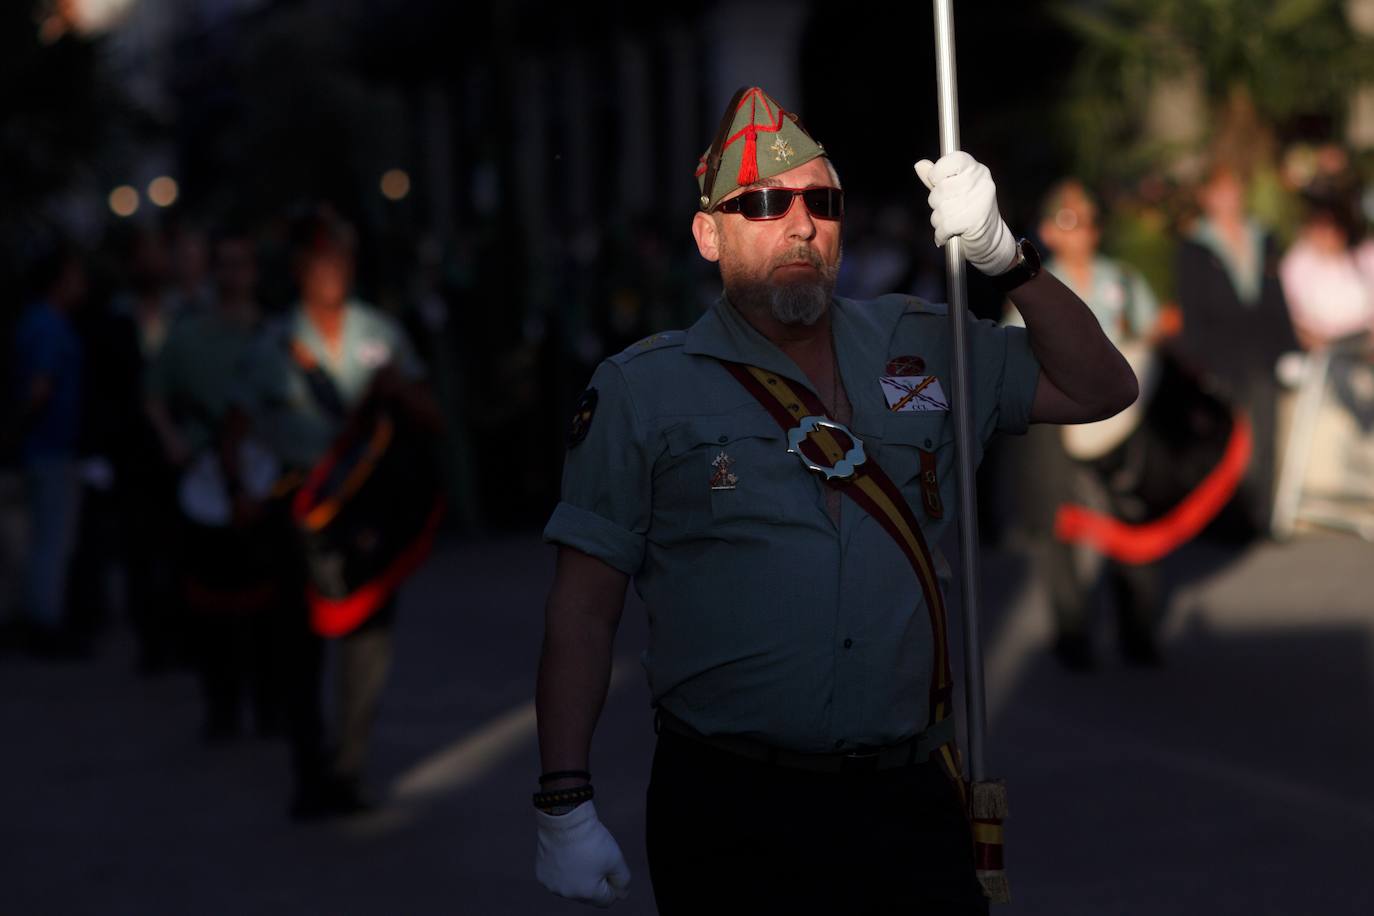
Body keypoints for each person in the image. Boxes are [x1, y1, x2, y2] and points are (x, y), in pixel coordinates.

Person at [532, 86, 1137, 913]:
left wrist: (1007, 258)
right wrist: (564, 800)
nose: (800, 222)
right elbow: (582, 611)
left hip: (906, 795)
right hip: (732, 807)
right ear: (709, 234)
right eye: (765, 203)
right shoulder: (643, 389)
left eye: (822, 200)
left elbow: (1103, 386)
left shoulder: (923, 340)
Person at [242, 209, 440, 817]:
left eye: (343, 260)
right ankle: (309, 770)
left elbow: (431, 418)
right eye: (322, 260)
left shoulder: (380, 332)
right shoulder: (273, 343)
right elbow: (239, 427)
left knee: (368, 644)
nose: (334, 272)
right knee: (296, 647)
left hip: (367, 516)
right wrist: (238, 491)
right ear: (301, 268)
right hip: (299, 513)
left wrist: (394, 390)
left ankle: (347, 767)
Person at [1006, 180, 1166, 668]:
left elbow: (1150, 327)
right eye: (1069, 223)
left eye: (1089, 222)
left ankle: (1138, 627)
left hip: (1118, 415)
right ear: (1050, 232)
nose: (1081, 234)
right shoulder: (1031, 285)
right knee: (1059, 521)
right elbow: (1013, 350)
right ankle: (1071, 630)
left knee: (1132, 514)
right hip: (1055, 414)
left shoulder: (1120, 278)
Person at [145, 229, 284, 739]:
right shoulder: (188, 334)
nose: (232, 274)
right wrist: (172, 439)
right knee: (210, 605)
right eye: (223, 264)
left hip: (263, 476)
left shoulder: (273, 333)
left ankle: (270, 704)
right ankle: (222, 706)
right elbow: (155, 394)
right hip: (207, 480)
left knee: (270, 604)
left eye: (241, 263)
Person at [1173, 163, 1298, 535]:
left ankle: (1262, 516)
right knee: (1229, 441)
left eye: (1233, 190)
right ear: (1206, 197)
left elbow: (1277, 298)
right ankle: (1227, 521)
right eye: (1220, 191)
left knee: (1266, 433)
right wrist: (1196, 360)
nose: (1229, 199)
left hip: (1261, 352)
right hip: (1220, 355)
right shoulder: (1194, 246)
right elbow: (1191, 307)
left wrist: (1289, 347)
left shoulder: (1263, 238)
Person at [9, 246, 87, 655]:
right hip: (50, 448)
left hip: (46, 447)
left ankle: (41, 620)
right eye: (74, 275)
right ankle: (44, 626)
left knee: (42, 539)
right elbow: (39, 387)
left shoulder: (37, 322)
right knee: (50, 541)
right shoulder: (48, 325)